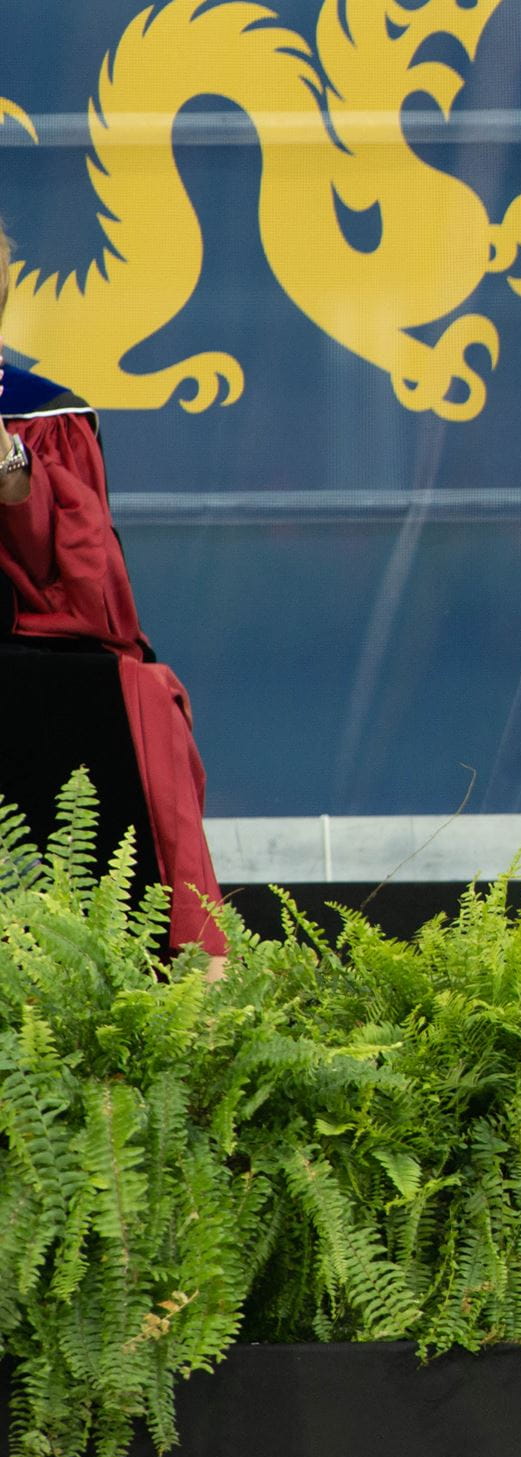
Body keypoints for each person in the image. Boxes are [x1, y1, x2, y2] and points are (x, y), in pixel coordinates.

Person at [0, 218, 223, 957]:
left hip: (25, 651)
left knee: (139, 694)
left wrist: (8, 464)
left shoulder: (38, 414)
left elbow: (82, 589)